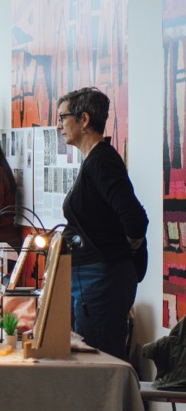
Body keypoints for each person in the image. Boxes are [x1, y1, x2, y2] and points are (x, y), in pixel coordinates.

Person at [58, 87, 149, 359]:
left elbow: (135, 218)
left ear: (84, 120)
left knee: (98, 362)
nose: (60, 125)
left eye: (63, 117)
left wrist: (126, 251)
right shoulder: (93, 160)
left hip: (101, 279)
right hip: (91, 278)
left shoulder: (101, 161)